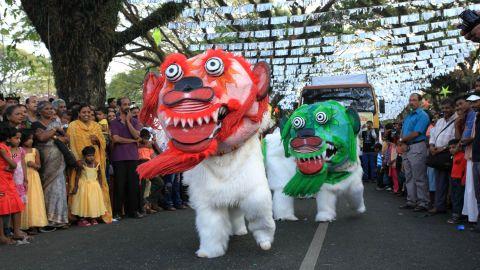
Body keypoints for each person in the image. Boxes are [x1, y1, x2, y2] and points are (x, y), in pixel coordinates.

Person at [66, 105, 112, 224]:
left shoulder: (96, 125)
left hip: (94, 160)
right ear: (79, 114)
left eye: (89, 112)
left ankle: (95, 214)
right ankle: (80, 216)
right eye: (83, 112)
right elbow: (70, 144)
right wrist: (76, 160)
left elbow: (103, 142)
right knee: (80, 189)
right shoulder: (73, 125)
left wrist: (97, 140)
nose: (86, 114)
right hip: (80, 162)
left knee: (95, 188)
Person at [32, 101, 69, 228]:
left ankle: (60, 219)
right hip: (45, 157)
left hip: (58, 156)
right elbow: (41, 138)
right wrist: (55, 130)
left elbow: (67, 138)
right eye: (47, 109)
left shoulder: (57, 123)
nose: (50, 111)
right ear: (40, 111)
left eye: (51, 109)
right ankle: (48, 218)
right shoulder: (36, 124)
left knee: (59, 186)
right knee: (48, 187)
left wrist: (57, 134)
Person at [109, 97, 143, 219]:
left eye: (128, 104)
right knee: (120, 185)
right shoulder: (114, 122)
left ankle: (133, 211)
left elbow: (138, 137)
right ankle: (117, 212)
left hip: (133, 156)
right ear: (119, 107)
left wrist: (128, 122)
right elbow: (116, 139)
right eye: (124, 104)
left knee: (133, 185)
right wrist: (133, 140)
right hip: (119, 157)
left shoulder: (134, 121)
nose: (127, 106)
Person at [399, 93, 430, 212]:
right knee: (409, 176)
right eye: (410, 100)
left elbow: (416, 133)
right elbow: (403, 131)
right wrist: (402, 143)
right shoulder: (408, 116)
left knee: (419, 176)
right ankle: (411, 201)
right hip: (407, 148)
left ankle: (423, 202)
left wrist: (402, 140)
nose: (411, 102)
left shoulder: (422, 115)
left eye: (414, 100)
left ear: (420, 102)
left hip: (417, 146)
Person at [428, 99, 457, 214]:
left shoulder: (457, 120)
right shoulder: (439, 121)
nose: (445, 110)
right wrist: (431, 146)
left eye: (448, 108)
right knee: (439, 182)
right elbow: (433, 135)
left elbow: (455, 138)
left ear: (453, 108)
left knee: (453, 183)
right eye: (443, 108)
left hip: (450, 154)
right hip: (437, 155)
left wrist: (443, 148)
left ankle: (455, 209)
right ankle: (439, 206)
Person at [19, 130, 50, 233]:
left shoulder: (34, 150)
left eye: (32, 139)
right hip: (22, 176)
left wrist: (33, 165)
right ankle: (24, 224)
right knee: (25, 199)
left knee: (35, 199)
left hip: (34, 177)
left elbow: (39, 166)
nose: (30, 141)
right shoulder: (19, 150)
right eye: (28, 139)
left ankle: (36, 223)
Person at [0, 126, 26, 244]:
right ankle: (2, 236)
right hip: (1, 181)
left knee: (16, 203)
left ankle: (16, 232)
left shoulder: (6, 147)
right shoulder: (1, 148)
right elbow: (14, 165)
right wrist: (11, 167)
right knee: (1, 208)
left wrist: (9, 168)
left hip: (8, 179)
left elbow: (11, 167)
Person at [70, 146, 107, 227]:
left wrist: (100, 185)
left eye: (92, 155)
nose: (91, 157)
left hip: (94, 186)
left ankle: (92, 217)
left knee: (93, 202)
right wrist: (75, 187)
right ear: (84, 156)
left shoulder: (97, 164)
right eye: (89, 156)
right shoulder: (81, 164)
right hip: (83, 185)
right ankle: (82, 218)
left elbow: (100, 175)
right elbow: (77, 176)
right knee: (83, 202)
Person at [458, 94, 479, 224]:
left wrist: (468, 140)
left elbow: (474, 135)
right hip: (470, 152)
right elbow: (461, 136)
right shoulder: (467, 116)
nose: (472, 105)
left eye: (461, 104)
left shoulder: (474, 114)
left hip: (475, 152)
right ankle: (471, 216)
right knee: (471, 187)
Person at [447, 139, 467, 224]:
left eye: (453, 147)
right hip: (453, 178)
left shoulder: (463, 156)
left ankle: (457, 215)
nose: (451, 149)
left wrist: (463, 179)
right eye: (450, 148)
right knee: (454, 196)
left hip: (459, 179)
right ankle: (457, 214)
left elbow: (465, 169)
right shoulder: (454, 156)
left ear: (459, 147)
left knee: (458, 197)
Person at [468, 93, 480, 232]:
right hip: (476, 158)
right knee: (478, 193)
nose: (473, 105)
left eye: (476, 102)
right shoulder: (477, 117)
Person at [9, 130, 27, 204]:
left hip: (20, 178)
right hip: (10, 177)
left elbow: (23, 164)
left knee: (20, 200)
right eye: (16, 138)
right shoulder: (6, 150)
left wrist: (25, 179)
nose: (19, 140)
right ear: (9, 139)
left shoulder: (21, 150)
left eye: (20, 138)